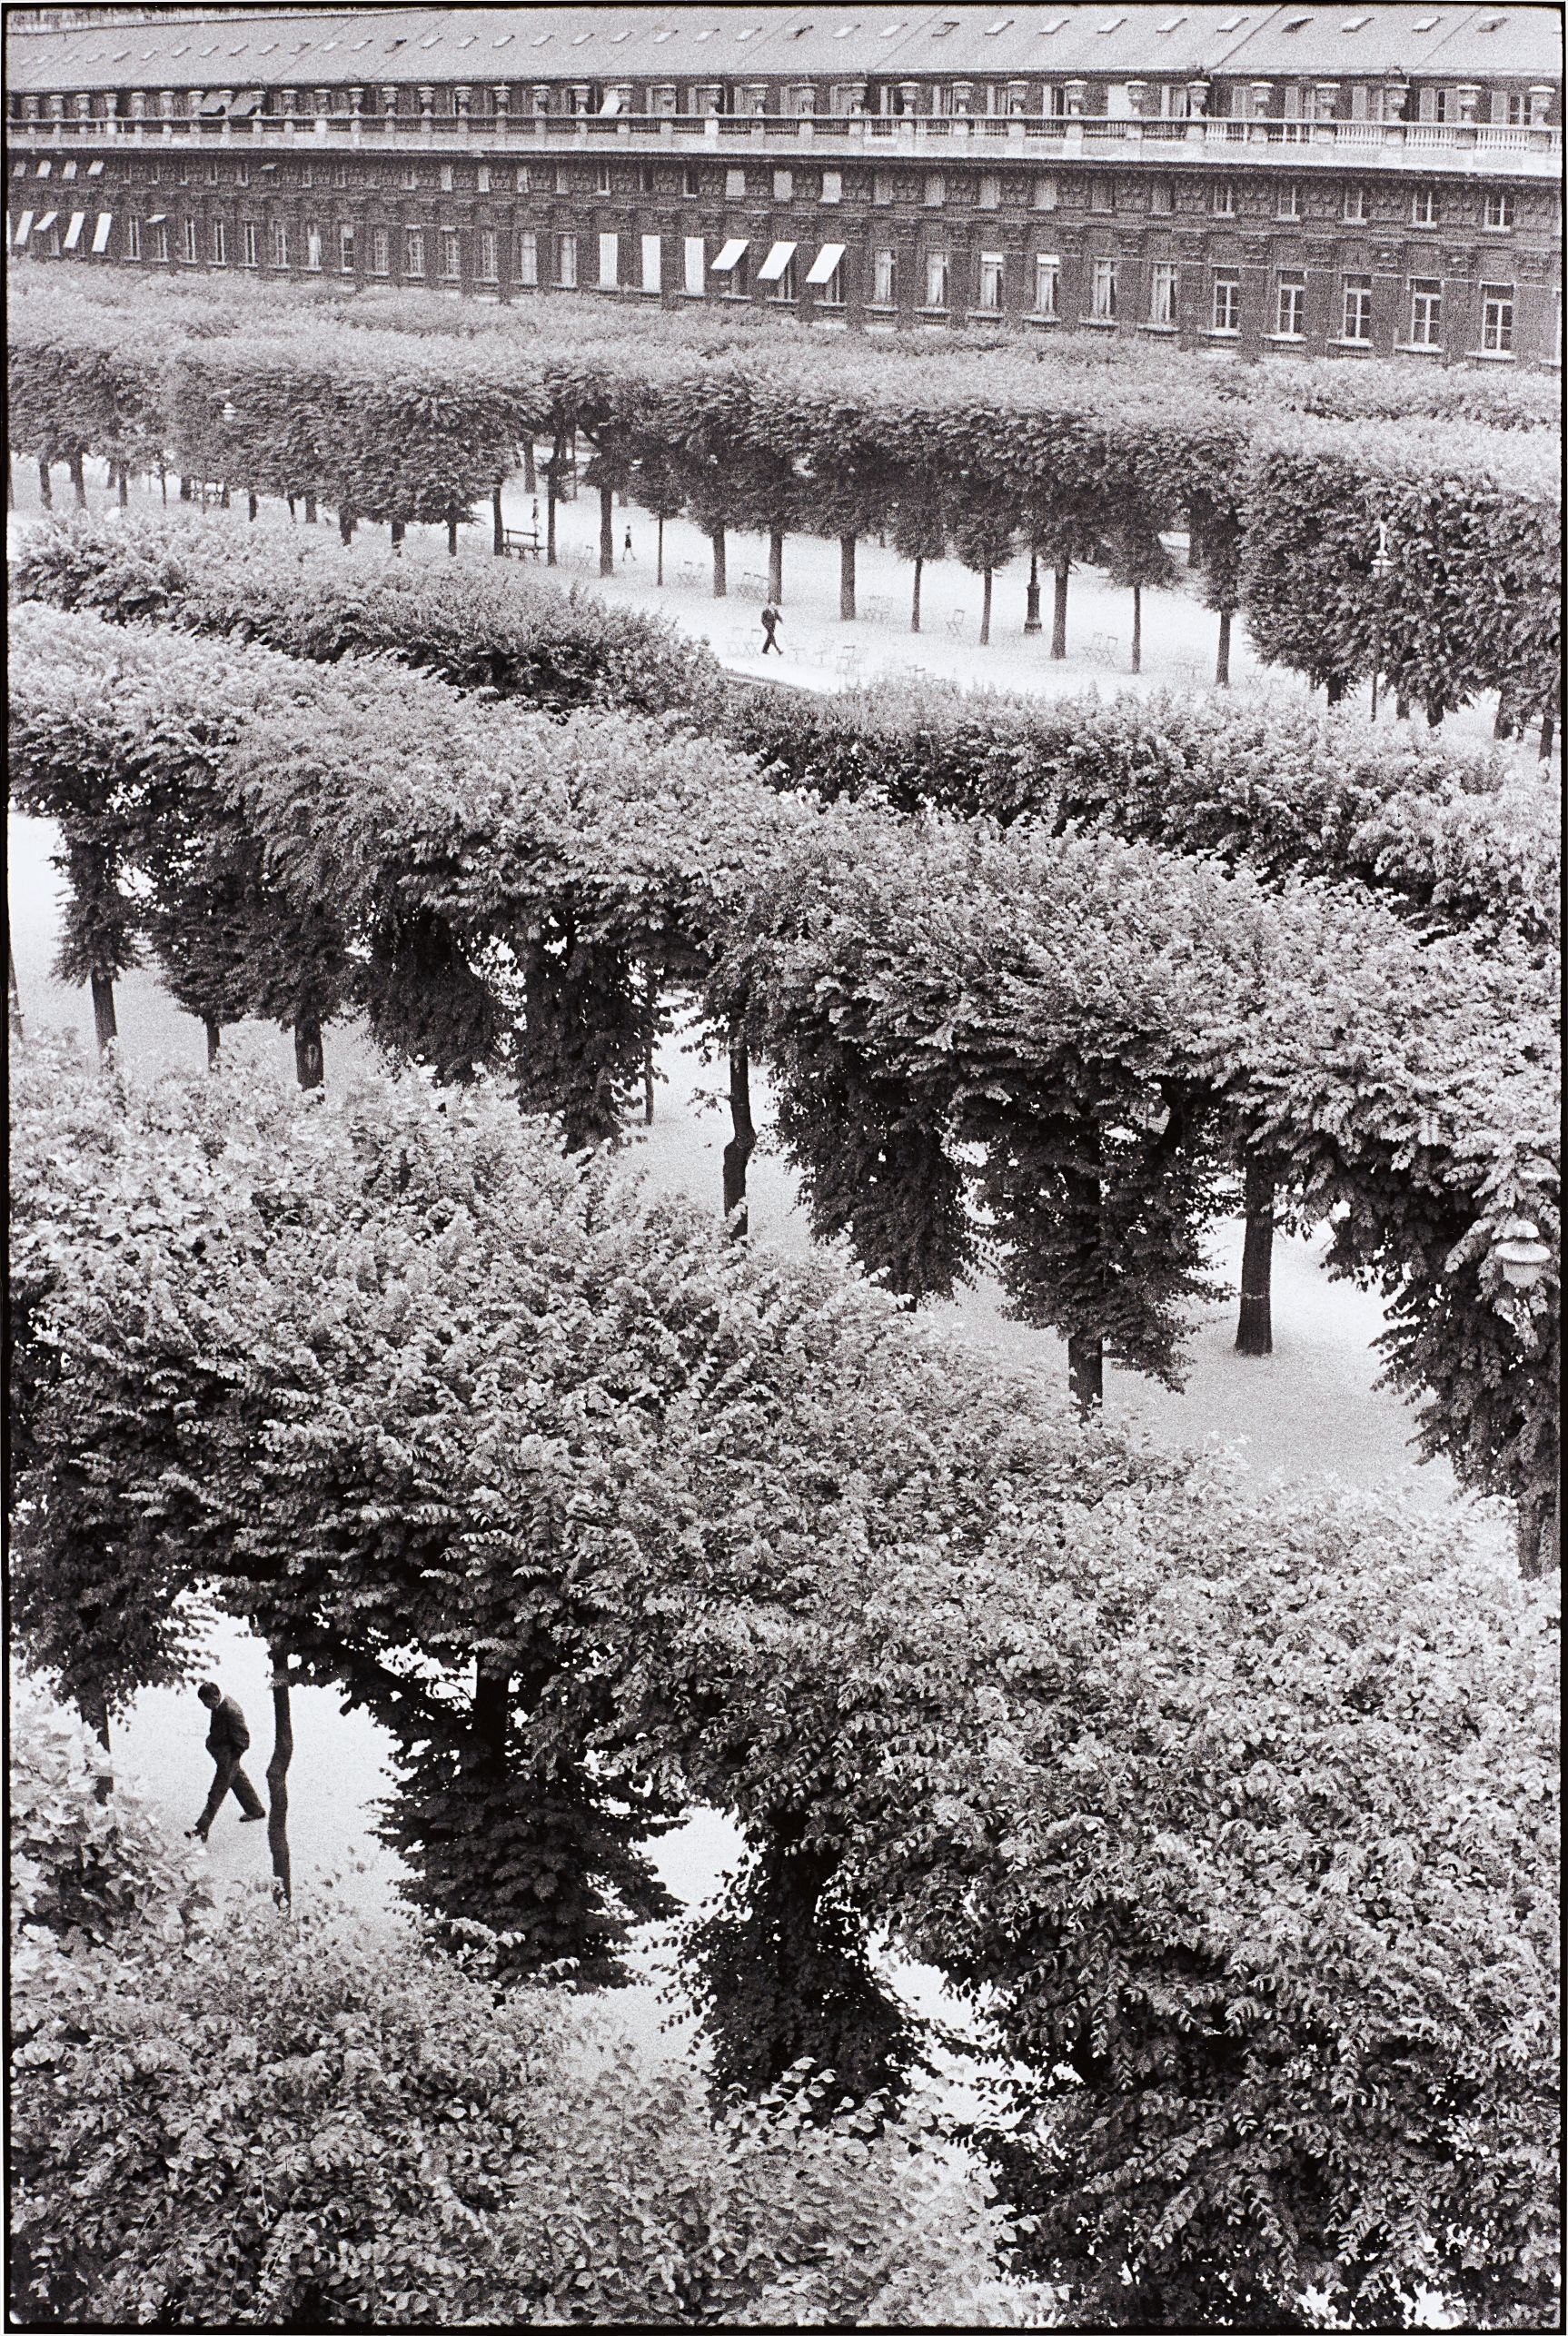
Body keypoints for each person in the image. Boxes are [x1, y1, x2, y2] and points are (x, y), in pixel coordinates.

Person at [188, 1681, 266, 1840]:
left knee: (216, 1792)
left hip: (228, 1757)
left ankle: (202, 1827)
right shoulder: (220, 1706)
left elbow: (243, 1738)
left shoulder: (231, 1711)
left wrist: (232, 1758)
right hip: (224, 1754)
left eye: (206, 1702)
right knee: (238, 1781)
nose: (205, 1706)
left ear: (215, 1696)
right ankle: (255, 1810)